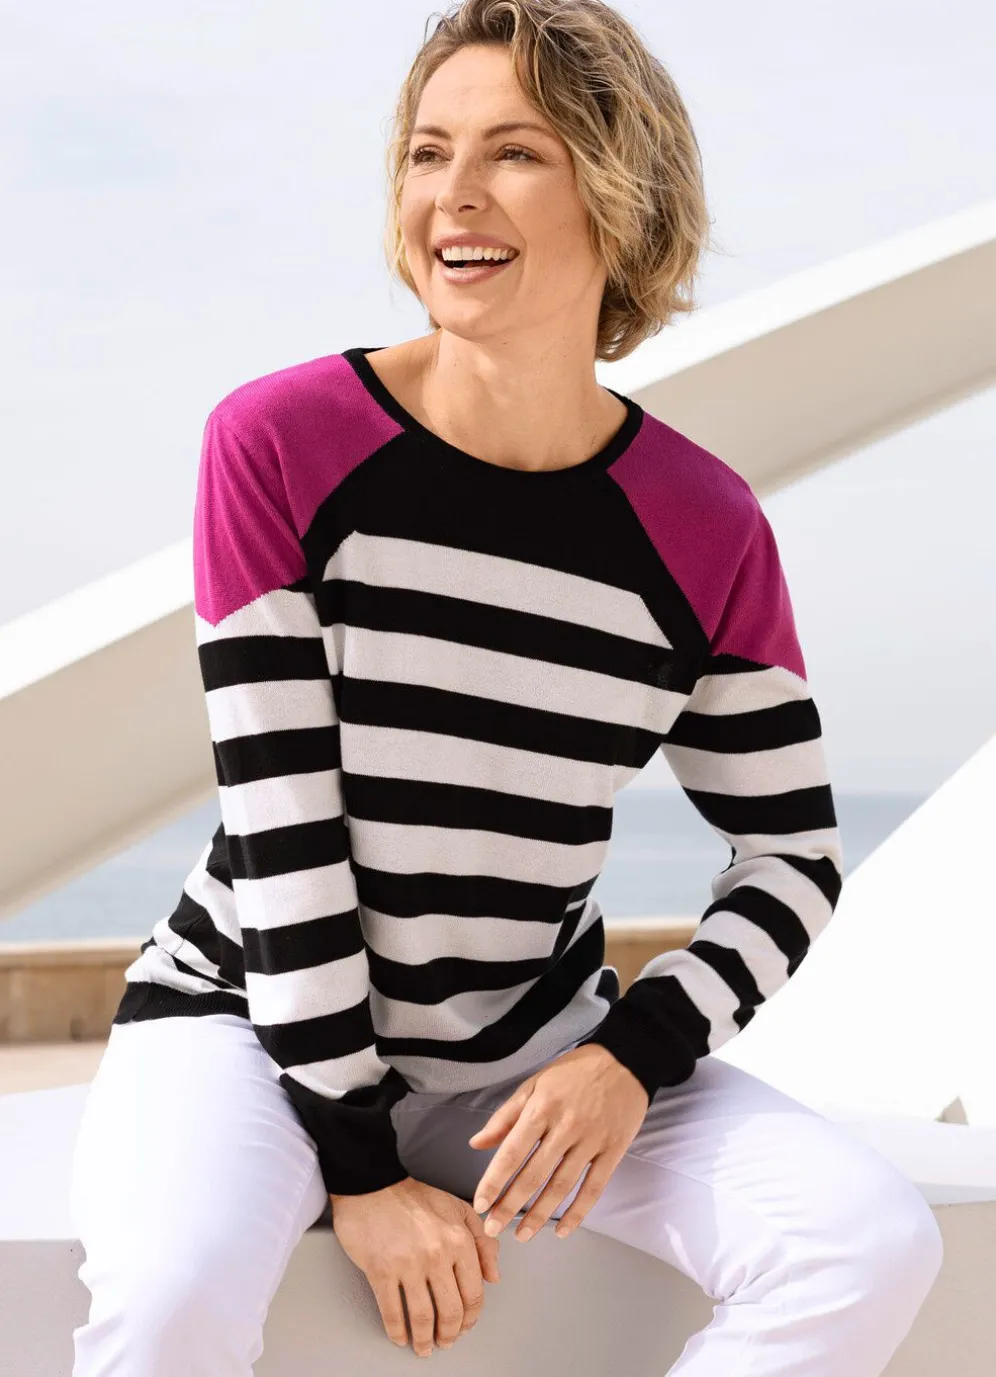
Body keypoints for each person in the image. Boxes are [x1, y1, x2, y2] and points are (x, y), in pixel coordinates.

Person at [69, 2, 944, 1373]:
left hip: (530, 1055)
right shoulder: (282, 444)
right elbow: (286, 830)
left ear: (620, 194)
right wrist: (359, 1166)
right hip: (245, 1027)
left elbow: (793, 856)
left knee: (864, 1245)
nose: (453, 196)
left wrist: (627, 1058)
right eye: (428, 153)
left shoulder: (704, 527)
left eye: (515, 152)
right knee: (172, 1301)